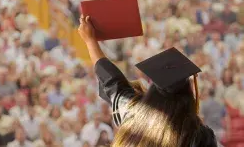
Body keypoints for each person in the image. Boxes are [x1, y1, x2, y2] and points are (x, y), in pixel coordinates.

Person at [78, 15, 217, 147]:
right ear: (188, 95)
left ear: (153, 90)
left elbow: (112, 80)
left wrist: (90, 41)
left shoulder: (134, 111)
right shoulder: (199, 136)